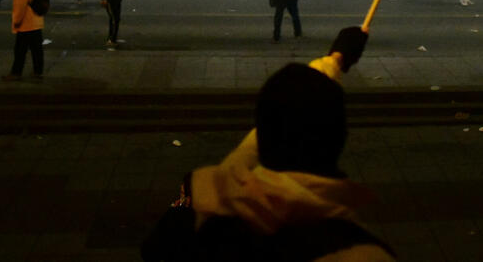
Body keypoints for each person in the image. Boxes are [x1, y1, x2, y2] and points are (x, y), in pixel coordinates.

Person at [140, 27, 395, 262]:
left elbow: (253, 146)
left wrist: (334, 61)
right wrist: (335, 62)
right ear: (341, 138)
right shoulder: (362, 254)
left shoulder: (205, 210)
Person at [1, 0, 45, 81]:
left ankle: (16, 73)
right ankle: (38, 72)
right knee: (37, 50)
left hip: (26, 24)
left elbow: (19, 7)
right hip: (37, 22)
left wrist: (16, 22)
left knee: (20, 51)